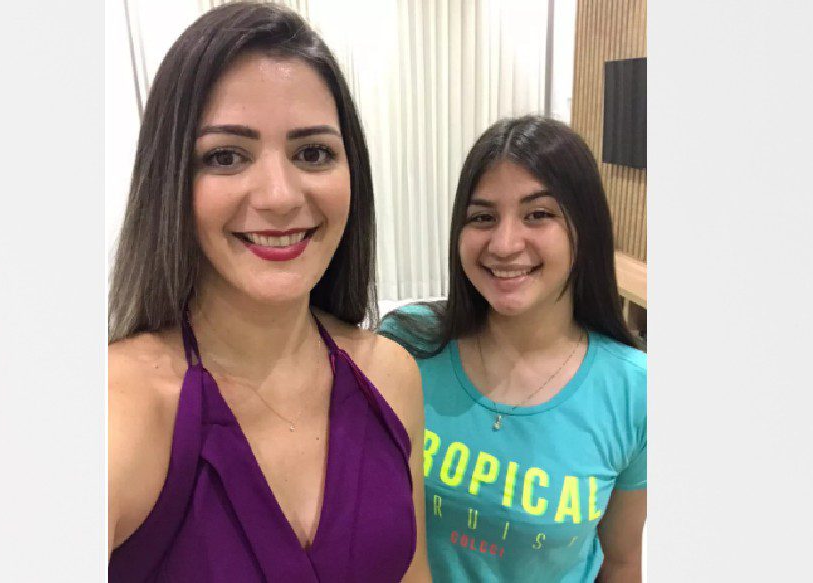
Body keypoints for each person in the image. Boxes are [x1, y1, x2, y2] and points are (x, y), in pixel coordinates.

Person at [107, 4, 430, 582]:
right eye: (226, 156)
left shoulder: (390, 375)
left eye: (313, 153)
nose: (280, 196)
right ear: (170, 180)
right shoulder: (118, 410)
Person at [379, 116, 646, 582]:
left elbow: (621, 562)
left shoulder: (634, 389)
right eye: (482, 217)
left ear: (585, 228)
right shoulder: (406, 346)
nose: (504, 245)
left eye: (538, 214)